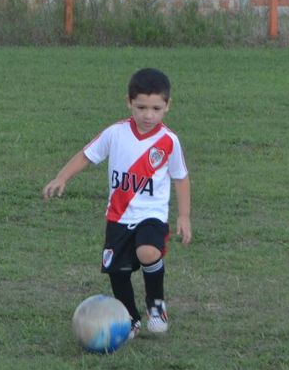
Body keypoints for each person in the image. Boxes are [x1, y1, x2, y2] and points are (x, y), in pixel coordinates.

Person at [42, 67, 192, 337]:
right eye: (141, 107)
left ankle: (156, 305)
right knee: (118, 272)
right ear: (129, 102)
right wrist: (61, 177)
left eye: (156, 108)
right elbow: (87, 155)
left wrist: (183, 216)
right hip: (118, 216)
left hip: (152, 214)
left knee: (148, 251)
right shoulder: (115, 133)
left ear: (168, 106)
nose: (148, 115)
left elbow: (180, 178)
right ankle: (130, 319)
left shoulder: (169, 141)